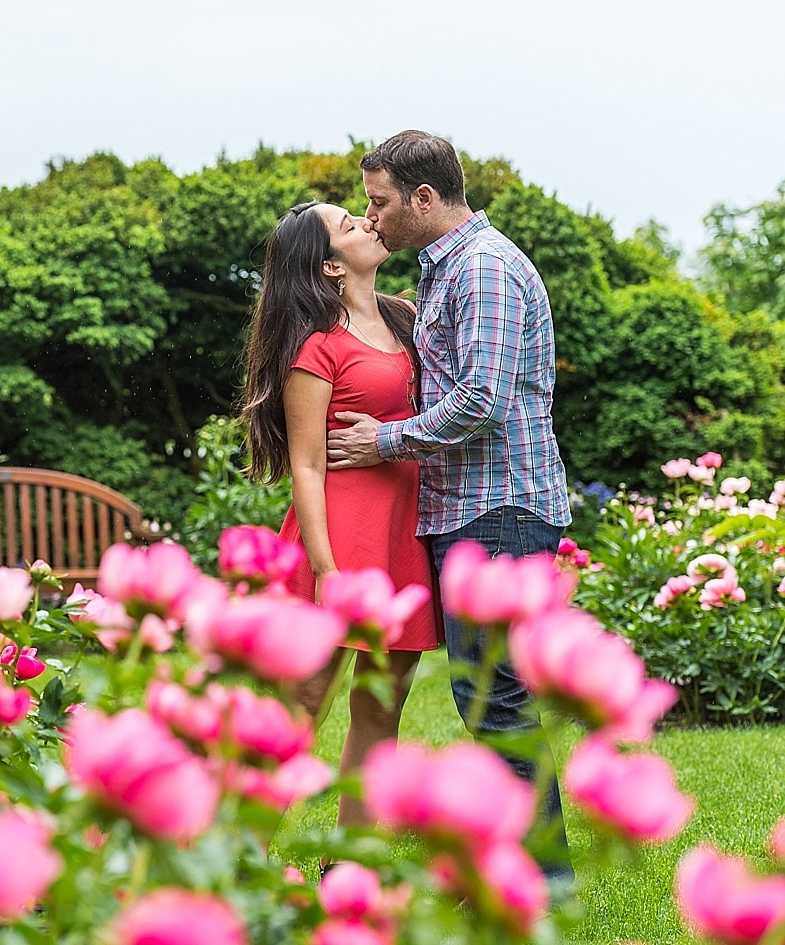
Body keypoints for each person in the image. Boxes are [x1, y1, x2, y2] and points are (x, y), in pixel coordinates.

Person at [325, 129, 575, 885]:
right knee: (485, 694)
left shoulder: (484, 268)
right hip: (470, 507)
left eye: (380, 203)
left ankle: (544, 884)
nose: (372, 220)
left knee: (494, 695)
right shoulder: (442, 274)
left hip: (500, 508)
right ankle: (528, 875)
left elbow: (484, 399)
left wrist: (386, 441)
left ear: (424, 199)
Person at [238, 199, 440, 831]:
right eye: (347, 224)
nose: (366, 222)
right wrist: (325, 570)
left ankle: (353, 868)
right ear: (328, 266)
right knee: (300, 707)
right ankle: (241, 859)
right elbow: (306, 466)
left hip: (403, 536)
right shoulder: (317, 346)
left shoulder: (408, 319)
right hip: (337, 542)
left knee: (384, 705)